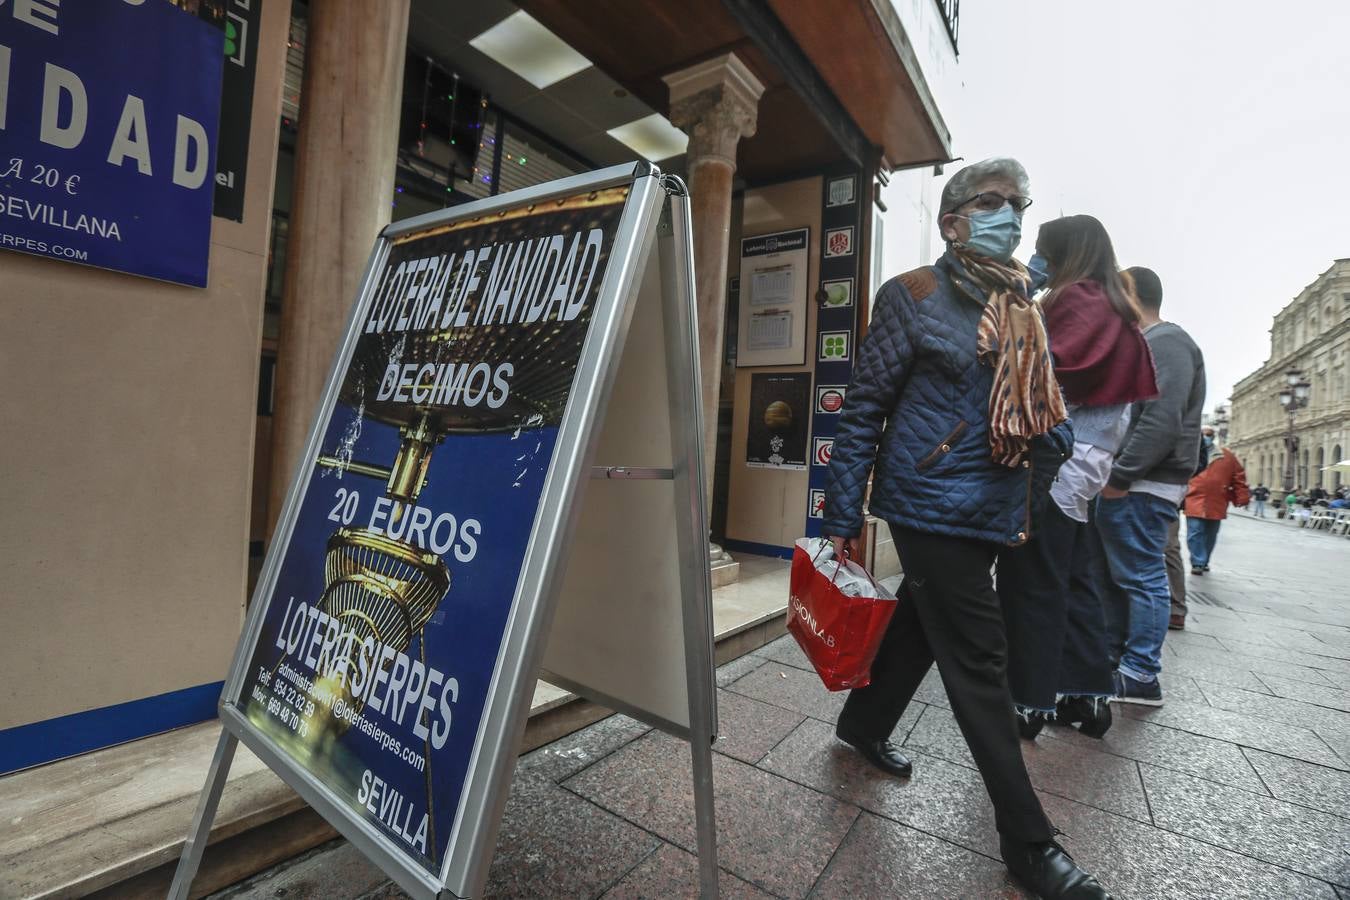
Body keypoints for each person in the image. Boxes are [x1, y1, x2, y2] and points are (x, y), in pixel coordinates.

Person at [823, 158, 1110, 900]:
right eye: (991, 202)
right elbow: (861, 412)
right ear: (952, 221)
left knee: (924, 621)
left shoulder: (1021, 304)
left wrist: (1034, 482)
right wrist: (838, 517)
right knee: (981, 660)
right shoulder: (913, 296)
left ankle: (863, 723)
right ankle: (1028, 842)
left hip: (991, 509)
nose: (1009, 215)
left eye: (1018, 203)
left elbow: (1046, 423)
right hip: (926, 505)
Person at [997, 215, 1157, 741]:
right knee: (1075, 577)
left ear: (1067, 252)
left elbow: (1045, 368)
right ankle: (1086, 698)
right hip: (1087, 464)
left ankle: (1029, 699)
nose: (1038, 258)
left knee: (1033, 579)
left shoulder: (1080, 298)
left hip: (1059, 462)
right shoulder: (1110, 301)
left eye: (1044, 250)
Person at [1097, 267, 1205, 707]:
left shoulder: (1168, 342)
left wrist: (1120, 477)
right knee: (1129, 576)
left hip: (1143, 484)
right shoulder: (1153, 344)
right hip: (1138, 482)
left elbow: (1162, 419)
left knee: (1142, 577)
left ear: (1130, 293)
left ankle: (1141, 673)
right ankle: (1125, 663)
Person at [1185, 448, 1250, 572]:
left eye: (1209, 434)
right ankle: (1197, 562)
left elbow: (1238, 476)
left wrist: (1242, 496)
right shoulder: (1191, 451)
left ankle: (1204, 560)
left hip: (1217, 501)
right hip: (1194, 498)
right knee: (1195, 532)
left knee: (1211, 534)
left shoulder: (1227, 456)